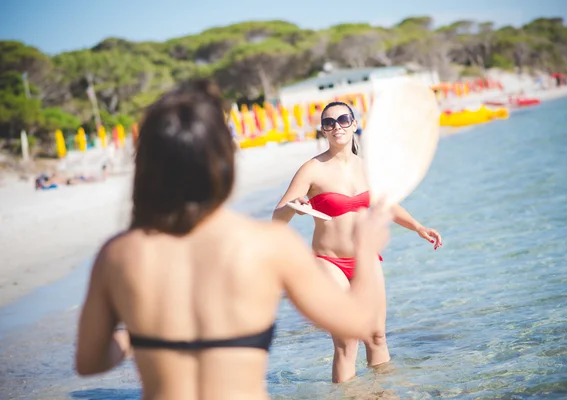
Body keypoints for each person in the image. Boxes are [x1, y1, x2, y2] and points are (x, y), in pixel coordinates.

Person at [75, 80, 392, 400]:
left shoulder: (118, 254)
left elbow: (88, 362)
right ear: (225, 158)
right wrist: (365, 251)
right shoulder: (268, 245)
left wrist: (137, 336)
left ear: (147, 164)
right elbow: (359, 322)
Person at [272, 101, 443, 383]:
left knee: (376, 336)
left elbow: (387, 204)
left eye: (342, 119)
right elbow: (277, 219)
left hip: (366, 259)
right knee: (346, 341)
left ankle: (382, 392)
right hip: (329, 262)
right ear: (323, 131)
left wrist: (418, 227)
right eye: (329, 123)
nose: (336, 126)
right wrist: (294, 206)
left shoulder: (370, 168)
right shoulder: (312, 169)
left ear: (353, 123)